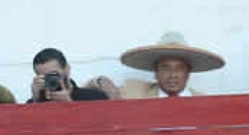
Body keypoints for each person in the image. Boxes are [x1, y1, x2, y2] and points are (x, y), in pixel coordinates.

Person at [87, 32, 225, 100]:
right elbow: (87, 87)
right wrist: (101, 81)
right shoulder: (135, 92)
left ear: (188, 73)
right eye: (165, 68)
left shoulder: (202, 102)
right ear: (155, 73)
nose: (172, 75)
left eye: (179, 68)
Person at [27, 48, 109, 103]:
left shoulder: (94, 98)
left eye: (53, 74)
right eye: (43, 77)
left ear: (67, 69)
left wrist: (68, 104)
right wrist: (35, 99)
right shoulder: (35, 102)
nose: (50, 79)